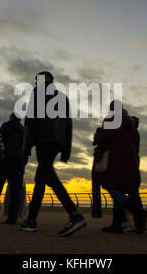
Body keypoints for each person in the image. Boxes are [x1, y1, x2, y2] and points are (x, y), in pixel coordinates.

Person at [19, 71, 86, 237]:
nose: (35, 83)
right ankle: (31, 220)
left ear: (46, 79)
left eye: (37, 80)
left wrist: (26, 149)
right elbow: (68, 125)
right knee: (41, 179)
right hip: (56, 141)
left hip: (43, 139)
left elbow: (31, 121)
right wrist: (66, 150)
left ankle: (75, 215)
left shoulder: (39, 92)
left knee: (48, 175)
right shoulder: (63, 97)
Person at [93, 102, 147, 234]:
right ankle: (117, 224)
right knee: (121, 188)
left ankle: (138, 213)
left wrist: (97, 136)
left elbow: (107, 137)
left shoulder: (112, 119)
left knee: (112, 187)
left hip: (116, 159)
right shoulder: (129, 125)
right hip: (130, 160)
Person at [0, 113, 25, 224]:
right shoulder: (23, 130)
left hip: (4, 161)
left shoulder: (5, 127)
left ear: (10, 118)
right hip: (18, 163)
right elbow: (26, 148)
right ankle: (12, 217)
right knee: (15, 191)